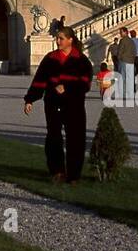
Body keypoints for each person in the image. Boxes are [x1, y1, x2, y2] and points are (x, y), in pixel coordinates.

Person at [24, 27, 93, 183]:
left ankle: (74, 175)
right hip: (53, 103)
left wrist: (67, 87)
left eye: (61, 38)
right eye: (57, 38)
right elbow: (39, 80)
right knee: (53, 137)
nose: (58, 41)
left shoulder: (82, 60)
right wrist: (30, 99)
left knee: (75, 138)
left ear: (70, 40)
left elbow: (85, 84)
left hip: (73, 104)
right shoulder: (50, 58)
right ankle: (57, 171)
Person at [114, 28, 138, 100]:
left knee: (122, 79)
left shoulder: (123, 40)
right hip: (131, 61)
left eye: (121, 32)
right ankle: (130, 95)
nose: (120, 34)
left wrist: (118, 58)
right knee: (130, 79)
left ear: (125, 32)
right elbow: (134, 51)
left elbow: (120, 51)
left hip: (123, 61)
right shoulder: (131, 41)